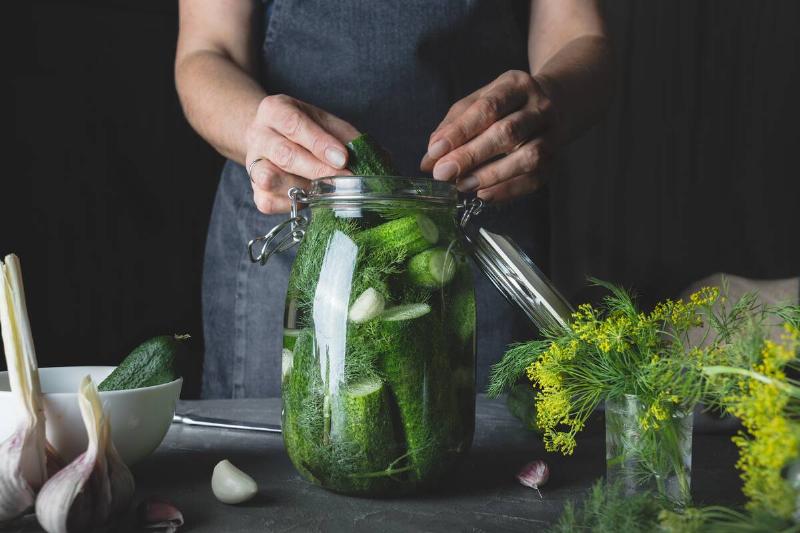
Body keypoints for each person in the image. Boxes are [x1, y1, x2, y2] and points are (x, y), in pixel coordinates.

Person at [175, 0, 612, 398]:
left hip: (478, 238)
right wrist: (259, 130)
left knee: (490, 463)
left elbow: (579, 34)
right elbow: (207, 51)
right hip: (299, 229)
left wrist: (550, 101)